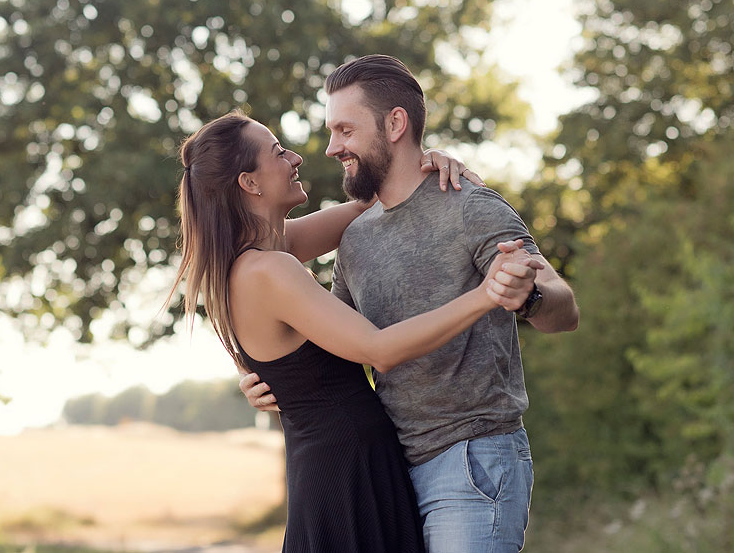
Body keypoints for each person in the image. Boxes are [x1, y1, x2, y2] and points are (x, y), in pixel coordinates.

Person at [240, 55, 580, 552]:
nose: (332, 147)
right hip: (391, 472)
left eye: (344, 130)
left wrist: (525, 295)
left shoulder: (470, 205)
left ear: (395, 123)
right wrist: (272, 375)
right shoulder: (354, 238)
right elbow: (343, 347)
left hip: (471, 461)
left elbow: (564, 310)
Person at [168, 110, 545, 552]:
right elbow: (379, 349)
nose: (295, 158)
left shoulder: (258, 255)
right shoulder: (268, 269)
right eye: (277, 152)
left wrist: (425, 164)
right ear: (250, 183)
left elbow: (374, 201)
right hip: (348, 474)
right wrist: (487, 294)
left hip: (343, 465)